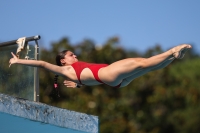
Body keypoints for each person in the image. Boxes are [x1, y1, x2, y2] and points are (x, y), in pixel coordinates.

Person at [9, 44, 192, 89]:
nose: (75, 55)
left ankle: (174, 56)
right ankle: (172, 51)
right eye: (71, 55)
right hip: (109, 74)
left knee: (148, 68)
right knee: (142, 62)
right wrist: (18, 61)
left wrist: (79, 85)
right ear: (63, 60)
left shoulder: (73, 76)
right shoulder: (65, 70)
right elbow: (41, 63)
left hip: (116, 83)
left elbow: (88, 81)